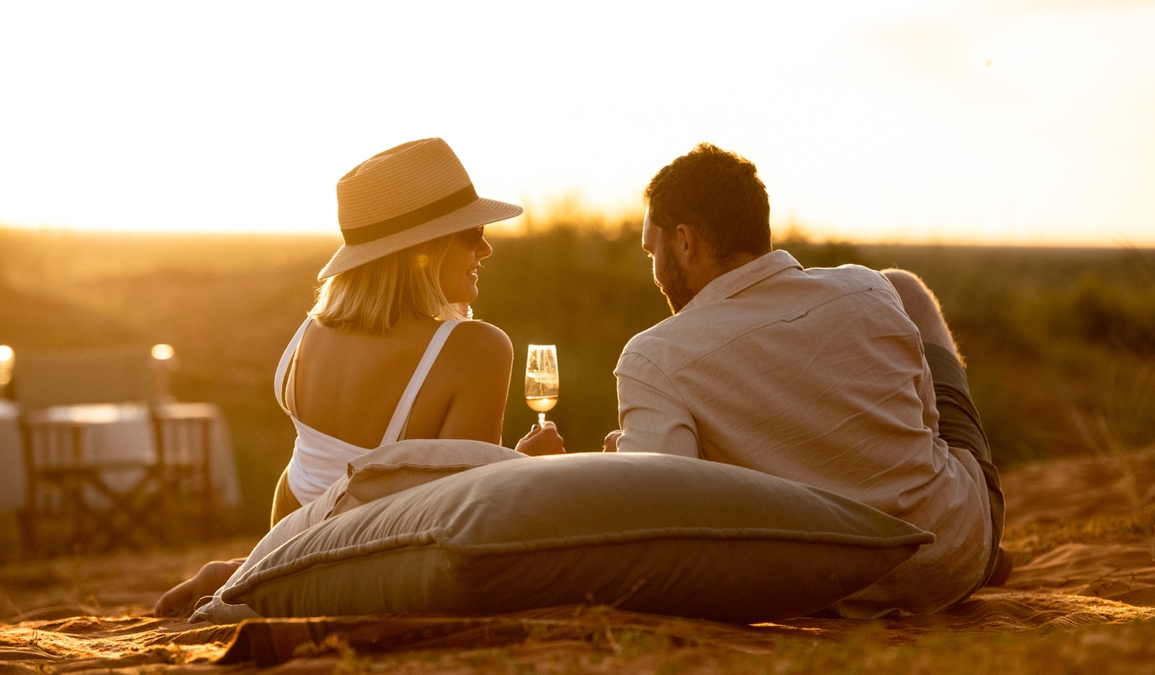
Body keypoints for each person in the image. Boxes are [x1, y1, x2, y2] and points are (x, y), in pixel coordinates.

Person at [156, 138, 563, 617]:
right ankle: (246, 573)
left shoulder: (310, 332)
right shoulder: (476, 348)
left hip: (286, 536)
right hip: (362, 562)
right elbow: (461, 508)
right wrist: (523, 462)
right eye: (472, 234)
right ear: (426, 249)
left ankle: (244, 569)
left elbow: (307, 476)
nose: (487, 248)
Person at [604, 142, 1007, 618]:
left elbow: (661, 515)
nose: (654, 270)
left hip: (828, 589)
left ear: (686, 241)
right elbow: (927, 424)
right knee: (908, 287)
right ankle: (989, 553)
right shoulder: (870, 287)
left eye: (654, 249)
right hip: (954, 554)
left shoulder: (652, 358)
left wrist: (619, 473)